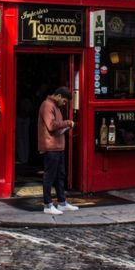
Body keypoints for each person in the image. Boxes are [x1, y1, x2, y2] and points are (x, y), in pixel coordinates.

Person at [37, 86, 78, 215]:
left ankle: (62, 202)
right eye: (64, 101)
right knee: (49, 176)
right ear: (59, 96)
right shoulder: (47, 105)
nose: (64, 104)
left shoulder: (56, 107)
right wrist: (67, 123)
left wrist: (65, 126)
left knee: (60, 175)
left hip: (58, 146)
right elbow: (51, 125)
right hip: (51, 147)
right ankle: (48, 205)